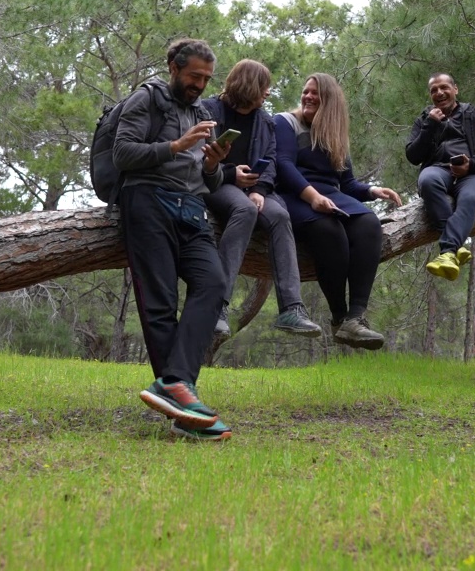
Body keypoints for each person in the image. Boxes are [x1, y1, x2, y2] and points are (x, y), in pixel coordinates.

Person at [113, 38, 233, 442]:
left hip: (192, 209)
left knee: (214, 283)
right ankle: (186, 407)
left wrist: (214, 165)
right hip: (147, 200)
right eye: (194, 76)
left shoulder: (202, 112)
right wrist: (176, 146)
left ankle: (176, 386)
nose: (200, 85)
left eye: (206, 79)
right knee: (160, 302)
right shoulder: (146, 99)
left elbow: (208, 178)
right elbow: (123, 154)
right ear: (174, 67)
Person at [274, 73, 402, 350]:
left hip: (331, 194)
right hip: (293, 192)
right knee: (328, 229)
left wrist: (372, 191)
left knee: (369, 223)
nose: (307, 97)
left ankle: (356, 319)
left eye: (315, 94)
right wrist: (313, 197)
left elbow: (347, 183)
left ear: (329, 101)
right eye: (305, 91)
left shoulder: (335, 134)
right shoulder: (285, 122)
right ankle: (339, 316)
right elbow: (283, 165)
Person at [201, 60, 323, 340]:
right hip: (218, 183)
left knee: (280, 216)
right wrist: (231, 174)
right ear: (249, 86)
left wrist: (261, 189)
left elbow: (269, 162)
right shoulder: (208, 110)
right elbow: (198, 158)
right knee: (244, 210)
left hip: (255, 188)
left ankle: (292, 309)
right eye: (264, 87)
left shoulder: (265, 120)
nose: (268, 93)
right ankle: (216, 306)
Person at [404, 72, 475, 282]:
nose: (439, 92)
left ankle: (448, 250)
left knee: (471, 198)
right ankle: (455, 249)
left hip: (472, 172)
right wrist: (430, 125)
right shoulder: (424, 120)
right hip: (438, 169)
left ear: (455, 89)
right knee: (427, 181)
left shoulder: (474, 112)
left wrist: (471, 165)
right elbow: (413, 155)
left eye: (444, 87)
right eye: (434, 90)